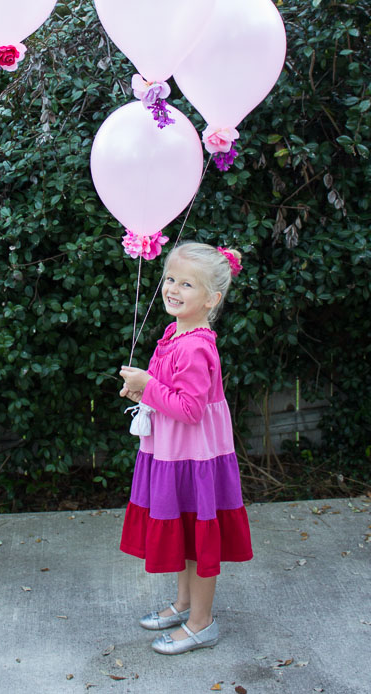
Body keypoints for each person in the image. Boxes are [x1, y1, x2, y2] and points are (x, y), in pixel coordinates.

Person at [119, 242, 252, 654]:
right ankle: (184, 604)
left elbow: (190, 409)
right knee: (185, 534)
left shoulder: (196, 345)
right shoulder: (176, 331)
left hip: (194, 459)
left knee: (199, 535)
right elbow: (166, 391)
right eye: (170, 279)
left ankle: (201, 622)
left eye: (186, 284)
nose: (173, 288)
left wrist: (147, 386)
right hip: (173, 454)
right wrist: (143, 389)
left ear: (212, 299)